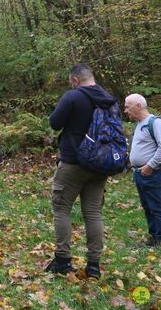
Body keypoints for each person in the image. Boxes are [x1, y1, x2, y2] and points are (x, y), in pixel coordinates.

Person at [46, 64, 118, 279]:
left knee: (61, 208)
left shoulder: (73, 97)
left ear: (75, 80)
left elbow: (54, 123)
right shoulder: (109, 99)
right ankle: (94, 265)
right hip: (100, 164)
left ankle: (62, 260)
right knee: (93, 213)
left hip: (74, 162)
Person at [124, 93, 161, 248]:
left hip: (153, 174)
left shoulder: (155, 122)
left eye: (127, 106)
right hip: (140, 174)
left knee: (157, 207)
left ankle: (159, 240)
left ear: (138, 105)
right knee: (147, 207)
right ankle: (154, 237)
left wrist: (151, 165)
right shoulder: (139, 124)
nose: (125, 110)